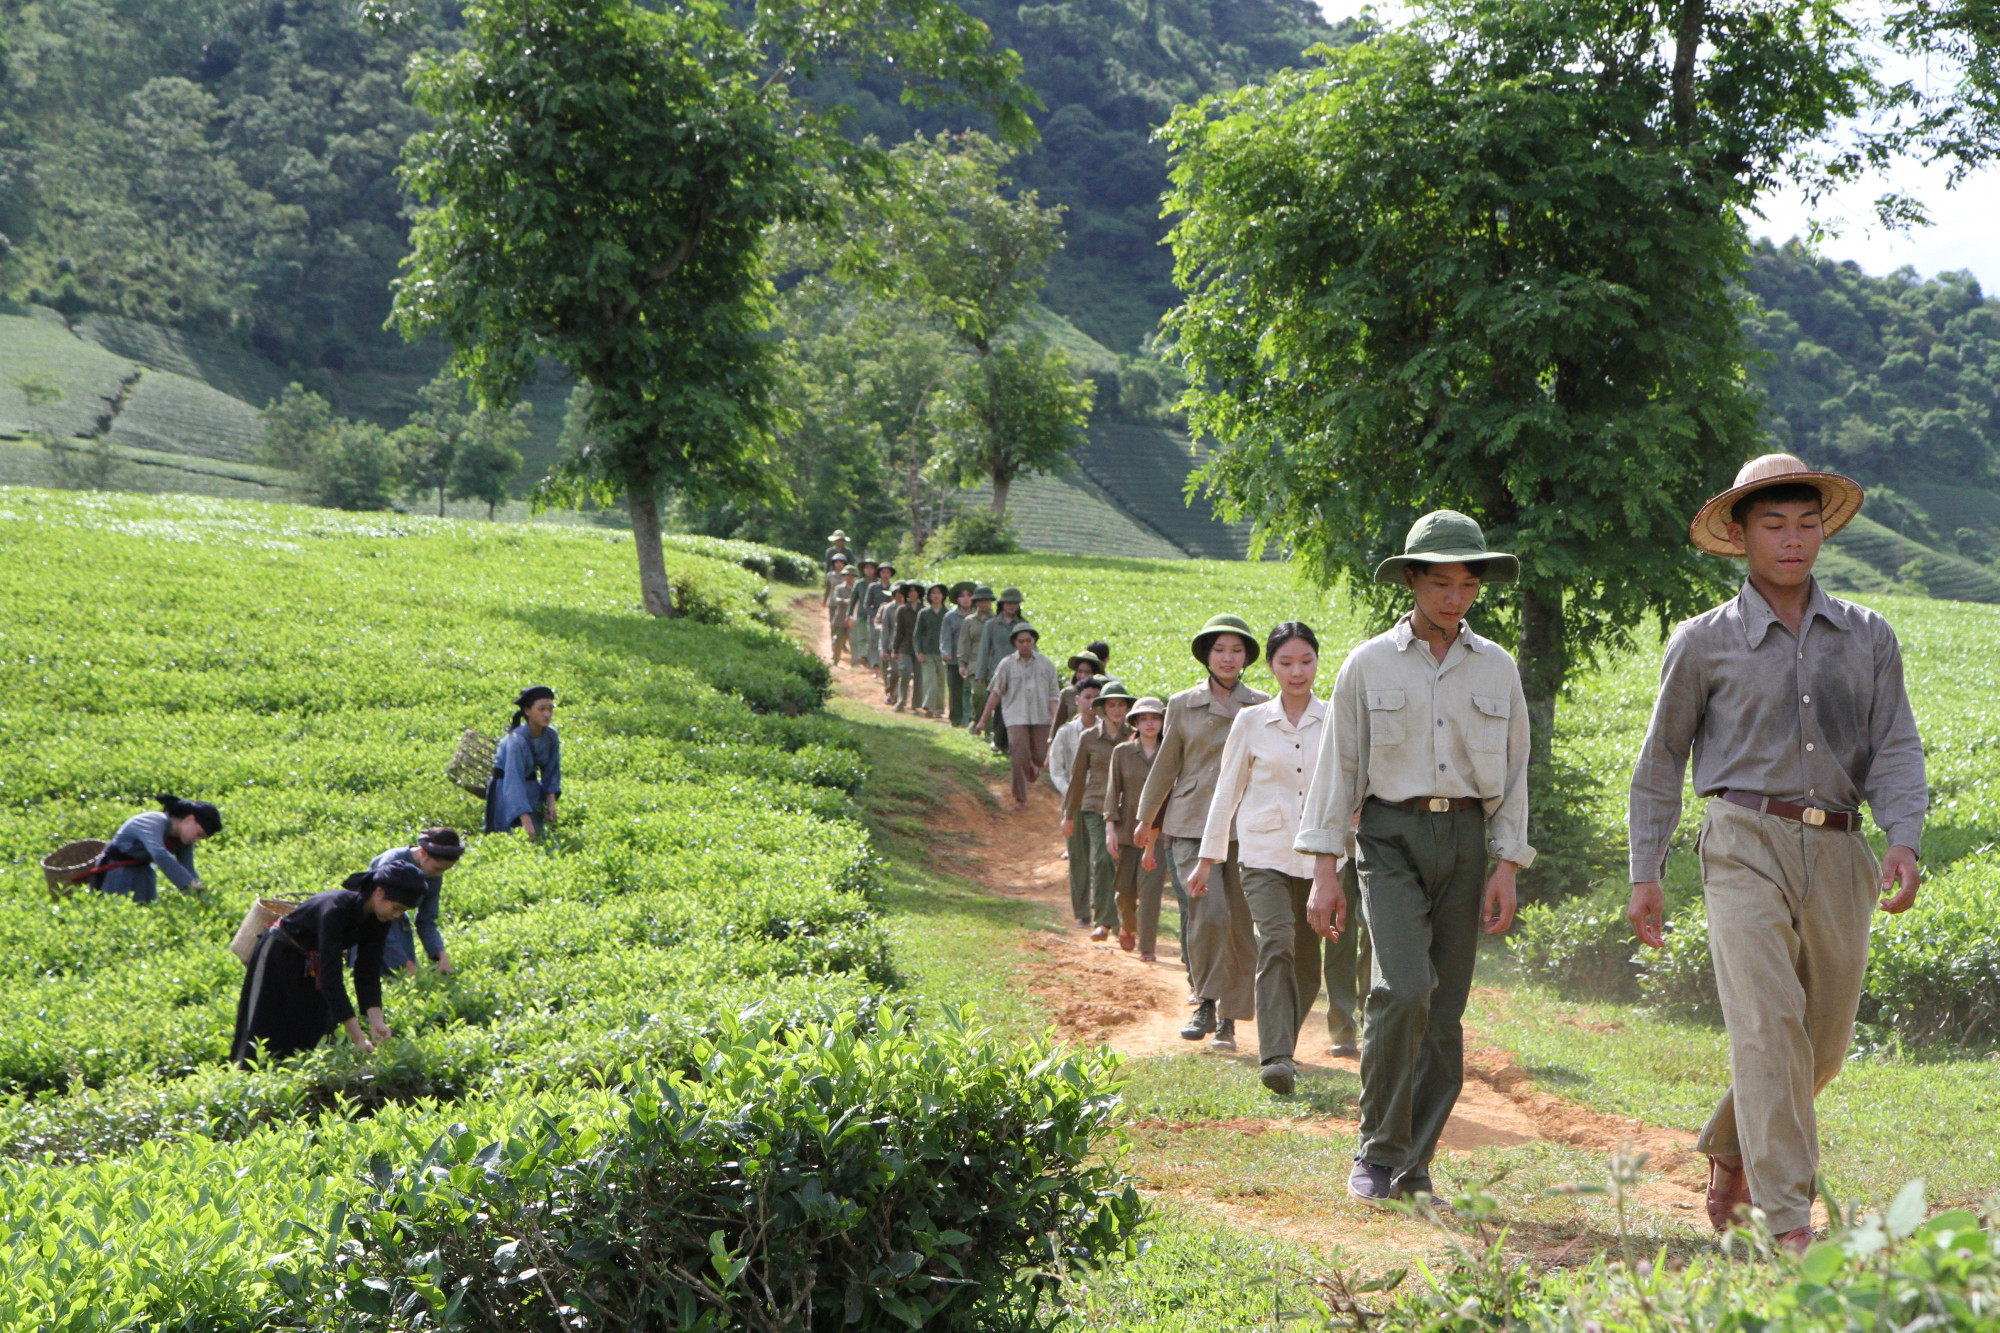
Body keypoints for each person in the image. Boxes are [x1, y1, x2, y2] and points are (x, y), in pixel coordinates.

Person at [1625, 454, 1924, 1255]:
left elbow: (1895, 745)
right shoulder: (1703, 644)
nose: (1793, 540)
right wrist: (1645, 872)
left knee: (1819, 1044)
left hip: (1840, 849)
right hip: (1741, 838)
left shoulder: (1868, 636)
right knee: (1767, 1026)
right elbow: (1660, 762)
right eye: (1773, 523)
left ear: (1822, 530)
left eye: (1806, 523)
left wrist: (1902, 836)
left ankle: (1730, 1139)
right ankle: (1789, 1215)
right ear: (1740, 533)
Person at [1295, 510, 1533, 1207]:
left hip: (1465, 841)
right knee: (1402, 989)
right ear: (1410, 579)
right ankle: (1376, 1149)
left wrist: (1507, 863)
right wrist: (1324, 870)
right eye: (1439, 582)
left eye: (1466, 583)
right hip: (1389, 835)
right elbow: (1339, 769)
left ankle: (1417, 1160)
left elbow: (1516, 770)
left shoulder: (1498, 667)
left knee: (1445, 1007)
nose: (1453, 596)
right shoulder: (1367, 663)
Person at [1191, 622, 1327, 1094]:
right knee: (1277, 940)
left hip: (1320, 859)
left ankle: (1283, 1045)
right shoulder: (1250, 721)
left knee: (1309, 962)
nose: (1297, 672)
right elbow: (1226, 792)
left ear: (1317, 663)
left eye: (1305, 661)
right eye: (1286, 663)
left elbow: (1353, 784)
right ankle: (1277, 1057)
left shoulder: (1333, 721)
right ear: (1269, 666)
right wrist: (1207, 858)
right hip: (1262, 853)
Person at [1135, 614, 1270, 1053]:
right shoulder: (1181, 703)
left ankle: (1230, 1018)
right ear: (1207, 656)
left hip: (1245, 826)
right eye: (1219, 650)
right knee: (1207, 915)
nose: (1228, 658)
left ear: (1247, 657)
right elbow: (1167, 764)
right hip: (1192, 822)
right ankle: (1205, 1001)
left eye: (1236, 650)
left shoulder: (1263, 704)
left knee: (1239, 922)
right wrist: (1146, 817)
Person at [231, 860, 429, 1064]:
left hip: (312, 962)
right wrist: (359, 1038)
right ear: (379, 892)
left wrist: (376, 1022)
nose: (396, 915)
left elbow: (367, 971)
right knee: (261, 1025)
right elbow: (330, 978)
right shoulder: (335, 909)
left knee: (311, 1029)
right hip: (279, 954)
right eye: (396, 908)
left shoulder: (380, 919)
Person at [1064, 680, 1133, 942]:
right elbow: (1078, 777)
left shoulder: (1134, 734)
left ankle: (1125, 922)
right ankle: (1104, 921)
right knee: (1104, 858)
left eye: (1121, 704)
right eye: (1111, 704)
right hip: (1094, 807)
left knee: (1125, 863)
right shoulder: (1089, 737)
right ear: (1102, 708)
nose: (1117, 709)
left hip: (1127, 808)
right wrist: (1068, 814)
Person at [1106, 695, 1170, 961]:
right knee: (1125, 891)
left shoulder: (1171, 751)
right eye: (1143, 719)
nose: (1149, 723)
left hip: (1161, 831)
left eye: (1154, 718)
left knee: (1151, 891)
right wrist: (1110, 828)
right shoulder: (1122, 752)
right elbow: (1113, 791)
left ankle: (1148, 948)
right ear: (1135, 723)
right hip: (1127, 830)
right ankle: (1127, 925)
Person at [976, 623, 1060, 810]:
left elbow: (1054, 695)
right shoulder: (1006, 665)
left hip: (1041, 717)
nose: (1024, 645)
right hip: (1015, 717)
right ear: (1014, 642)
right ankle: (1020, 798)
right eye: (1020, 641)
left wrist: (1056, 719)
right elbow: (996, 693)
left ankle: (1033, 764)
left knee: (1041, 756)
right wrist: (983, 719)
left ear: (1034, 641)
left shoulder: (1046, 664)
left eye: (1028, 641)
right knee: (1018, 755)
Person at [367, 829, 466, 976]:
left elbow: (426, 920)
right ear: (423, 854)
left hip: (398, 927)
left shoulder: (433, 876)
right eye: (438, 868)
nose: (439, 875)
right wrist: (406, 964)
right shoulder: (391, 862)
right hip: (370, 929)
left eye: (445, 870)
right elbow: (374, 918)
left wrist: (441, 957)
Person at [93, 794, 222, 902]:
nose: (197, 839)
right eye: (199, 833)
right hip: (116, 871)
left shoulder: (183, 840)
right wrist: (189, 883)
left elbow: (188, 868)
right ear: (189, 819)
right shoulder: (153, 821)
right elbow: (159, 853)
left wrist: (200, 895)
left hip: (143, 873)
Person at [1049, 677, 1101, 925]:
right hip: (1074, 802)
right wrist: (1070, 793)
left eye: (1095, 697)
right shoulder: (1066, 732)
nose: (1091, 702)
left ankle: (1102, 907)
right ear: (1078, 700)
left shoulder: (1111, 732)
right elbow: (1057, 769)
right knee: (1078, 856)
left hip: (1103, 801)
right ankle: (1082, 911)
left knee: (1102, 856)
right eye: (1087, 697)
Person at [486, 685, 561, 837]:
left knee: (536, 837)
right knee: (509, 835)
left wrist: (551, 804)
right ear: (527, 711)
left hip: (531, 787)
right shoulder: (516, 741)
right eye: (541, 709)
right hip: (506, 789)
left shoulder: (551, 735)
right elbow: (513, 781)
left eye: (550, 709)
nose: (547, 714)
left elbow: (551, 771)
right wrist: (525, 818)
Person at [976, 587, 1029, 756]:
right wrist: (980, 673)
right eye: (1009, 603)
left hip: (1019, 671)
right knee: (998, 707)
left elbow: (1032, 647)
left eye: (1015, 603)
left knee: (1014, 708)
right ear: (1002, 604)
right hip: (997, 671)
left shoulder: (1023, 624)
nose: (1012, 606)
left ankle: (1008, 742)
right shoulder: (991, 624)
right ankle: (998, 740)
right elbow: (984, 650)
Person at [960, 585, 997, 738]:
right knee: (979, 695)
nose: (983, 604)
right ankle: (983, 724)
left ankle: (984, 726)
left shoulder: (996, 621)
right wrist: (962, 663)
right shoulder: (969, 621)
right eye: (980, 601)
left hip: (993, 664)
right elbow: (964, 643)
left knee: (990, 697)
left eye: (986, 601)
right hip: (974, 663)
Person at [913, 583, 949, 718]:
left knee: (941, 682)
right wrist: (919, 651)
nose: (936, 595)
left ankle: (939, 709)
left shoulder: (948, 613)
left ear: (943, 596)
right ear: (929, 596)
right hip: (927, 653)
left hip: (943, 654)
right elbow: (917, 634)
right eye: (933, 593)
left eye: (939, 593)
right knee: (930, 681)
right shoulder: (923, 613)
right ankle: (929, 707)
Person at [941, 582, 974, 726]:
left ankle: (968, 719)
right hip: (954, 659)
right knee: (955, 690)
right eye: (962, 596)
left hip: (972, 660)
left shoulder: (977, 616)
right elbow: (945, 637)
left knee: (969, 690)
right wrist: (946, 652)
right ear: (957, 599)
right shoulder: (950, 617)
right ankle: (955, 719)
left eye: (969, 596)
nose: (966, 599)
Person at [1053, 649, 1105, 733]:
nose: (1083, 676)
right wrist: (1052, 740)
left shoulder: (1103, 694)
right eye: (1080, 671)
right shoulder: (1067, 693)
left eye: (1088, 672)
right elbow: (1058, 723)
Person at [891, 581, 922, 711]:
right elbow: (899, 631)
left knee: (919, 677)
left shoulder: (924, 610)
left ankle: (916, 704)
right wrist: (895, 649)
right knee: (905, 672)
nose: (912, 593)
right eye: (909, 591)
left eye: (914, 591)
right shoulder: (902, 610)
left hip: (920, 648)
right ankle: (901, 700)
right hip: (905, 646)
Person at [829, 565, 859, 666]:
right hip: (841, 617)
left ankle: (855, 663)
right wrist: (846, 601)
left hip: (853, 619)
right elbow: (835, 599)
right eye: (847, 575)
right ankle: (835, 660)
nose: (849, 577)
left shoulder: (857, 588)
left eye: (851, 575)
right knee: (838, 640)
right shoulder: (839, 588)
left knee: (854, 642)